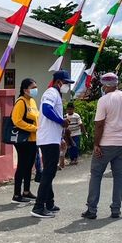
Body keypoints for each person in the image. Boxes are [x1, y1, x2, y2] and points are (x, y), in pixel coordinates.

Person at [82, 73, 122, 220]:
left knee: (96, 175)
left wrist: (96, 144)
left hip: (106, 144)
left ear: (105, 85)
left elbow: (99, 124)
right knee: (119, 176)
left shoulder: (104, 100)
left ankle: (92, 209)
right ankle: (116, 209)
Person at [31, 70, 73, 218]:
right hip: (48, 139)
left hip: (51, 138)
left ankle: (49, 202)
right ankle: (38, 206)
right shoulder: (51, 93)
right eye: (66, 83)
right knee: (49, 172)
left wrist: (60, 138)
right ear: (59, 81)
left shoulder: (56, 94)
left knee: (50, 171)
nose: (67, 86)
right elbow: (46, 110)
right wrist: (62, 121)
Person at [10, 79, 39, 203]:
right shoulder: (21, 102)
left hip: (33, 139)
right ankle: (17, 195)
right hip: (23, 140)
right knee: (22, 165)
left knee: (29, 166)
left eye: (36, 87)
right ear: (25, 89)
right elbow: (17, 120)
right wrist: (33, 128)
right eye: (33, 87)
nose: (35, 89)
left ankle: (26, 191)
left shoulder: (32, 101)